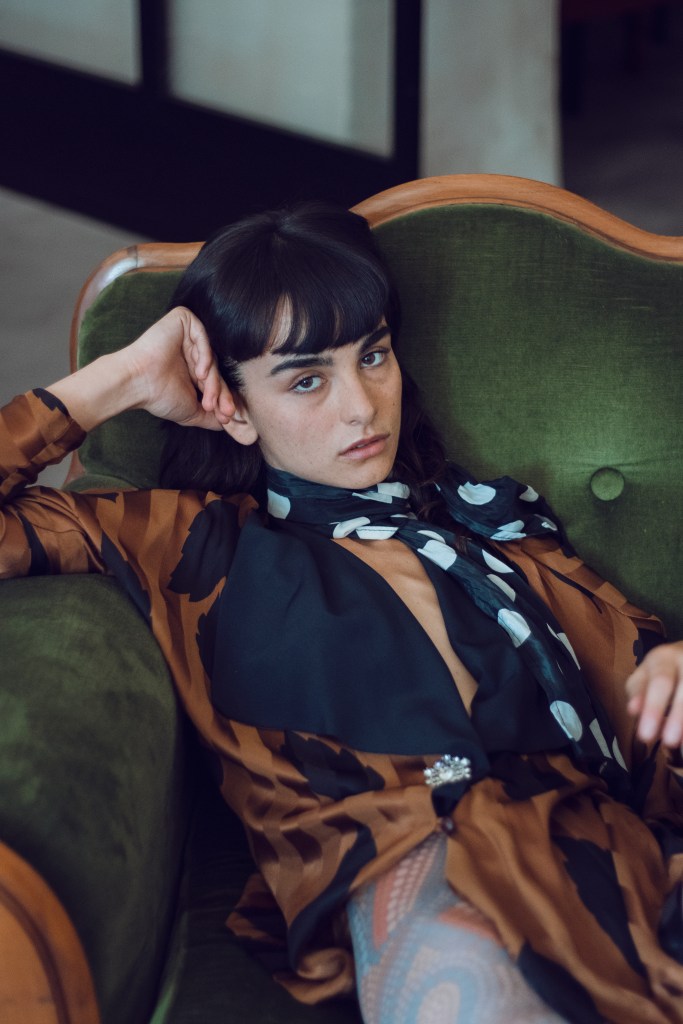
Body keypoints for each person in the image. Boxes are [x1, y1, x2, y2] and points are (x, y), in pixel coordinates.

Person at [1, 201, 683, 1024]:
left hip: (614, 850)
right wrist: (120, 380)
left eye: (374, 355)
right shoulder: (189, 543)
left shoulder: (493, 530)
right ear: (233, 406)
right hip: (404, 860)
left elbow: (646, 699)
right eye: (306, 379)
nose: (362, 407)